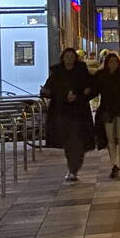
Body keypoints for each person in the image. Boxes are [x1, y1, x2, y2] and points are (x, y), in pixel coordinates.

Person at [41, 48, 94, 181]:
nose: (69, 59)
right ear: (63, 58)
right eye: (67, 56)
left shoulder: (82, 71)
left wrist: (80, 95)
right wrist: (47, 92)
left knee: (77, 140)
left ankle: (74, 168)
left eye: (72, 56)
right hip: (62, 112)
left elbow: (90, 87)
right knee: (68, 142)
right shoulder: (57, 73)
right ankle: (72, 168)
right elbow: (50, 88)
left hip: (79, 112)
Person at [93, 52, 120, 179]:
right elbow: (94, 90)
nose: (113, 64)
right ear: (106, 63)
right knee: (110, 139)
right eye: (110, 61)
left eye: (115, 61)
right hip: (107, 110)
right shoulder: (101, 76)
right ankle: (114, 165)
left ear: (119, 62)